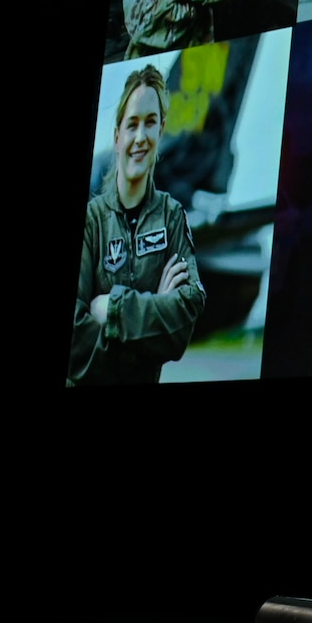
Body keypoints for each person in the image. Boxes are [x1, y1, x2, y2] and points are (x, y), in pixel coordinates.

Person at [72, 66, 205, 386]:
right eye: (132, 125)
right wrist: (157, 308)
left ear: (161, 131)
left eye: (150, 123)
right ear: (117, 137)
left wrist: (113, 309)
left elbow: (185, 315)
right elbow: (74, 338)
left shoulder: (172, 216)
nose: (141, 137)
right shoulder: (91, 222)